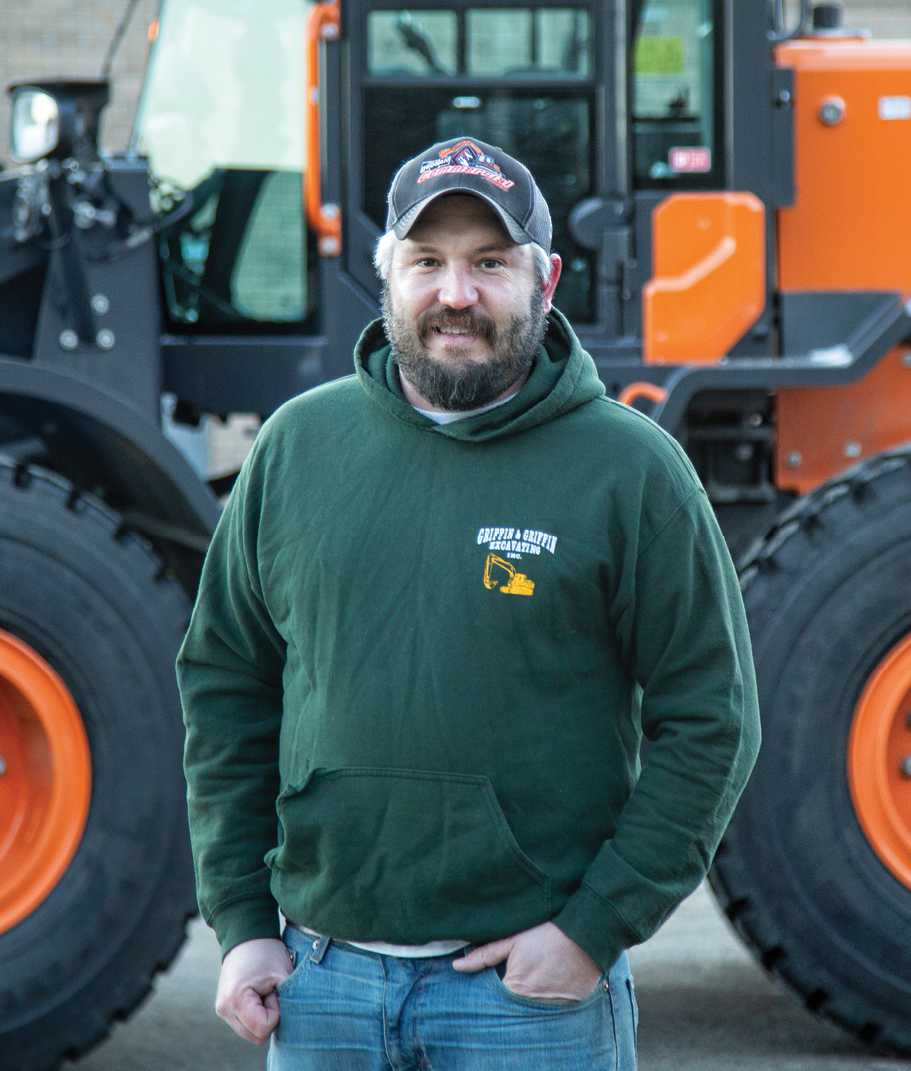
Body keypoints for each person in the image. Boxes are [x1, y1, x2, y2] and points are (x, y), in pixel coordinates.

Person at [176, 136, 760, 1070]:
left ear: (546, 278)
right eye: (427, 262)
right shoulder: (296, 448)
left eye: (489, 263)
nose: (455, 293)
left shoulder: (630, 469)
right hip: (320, 985)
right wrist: (244, 922)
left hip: (524, 999)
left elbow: (713, 720)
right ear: (387, 276)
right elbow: (226, 685)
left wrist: (593, 929)